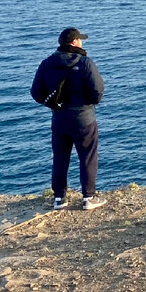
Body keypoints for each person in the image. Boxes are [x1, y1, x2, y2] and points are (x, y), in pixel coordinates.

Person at [31, 27, 106, 210]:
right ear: (74, 42)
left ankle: (59, 198)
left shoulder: (47, 63)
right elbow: (98, 91)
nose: (82, 42)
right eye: (80, 39)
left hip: (59, 120)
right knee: (87, 157)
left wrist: (52, 104)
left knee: (60, 158)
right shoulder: (85, 63)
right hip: (84, 119)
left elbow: (36, 92)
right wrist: (88, 103)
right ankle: (88, 197)